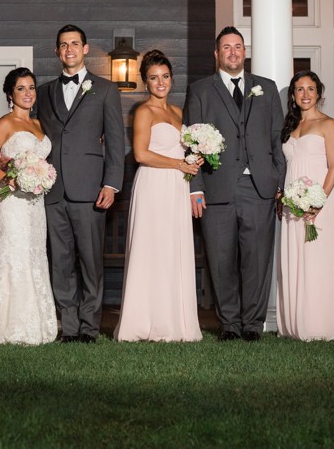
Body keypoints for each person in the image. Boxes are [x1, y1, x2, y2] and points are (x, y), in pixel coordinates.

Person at [183, 26, 285, 342]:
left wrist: (278, 181)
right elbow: (191, 144)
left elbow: (276, 140)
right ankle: (229, 323)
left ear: (245, 51)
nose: (233, 52)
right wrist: (195, 186)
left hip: (258, 188)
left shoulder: (266, 89)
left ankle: (252, 324)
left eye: (238, 47)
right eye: (226, 47)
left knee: (256, 258)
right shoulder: (200, 90)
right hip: (217, 187)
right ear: (217, 54)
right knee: (221, 257)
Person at [37, 25, 125, 343]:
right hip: (52, 189)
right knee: (60, 262)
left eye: (75, 43)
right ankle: (69, 327)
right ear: (57, 51)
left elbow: (116, 141)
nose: (69, 49)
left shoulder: (104, 89)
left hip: (90, 189)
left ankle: (89, 327)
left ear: (86, 49)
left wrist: (111, 184)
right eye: (63, 45)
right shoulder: (44, 92)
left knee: (90, 261)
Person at [114, 50, 202, 343]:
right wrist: (179, 163)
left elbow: (185, 151)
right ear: (145, 82)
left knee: (173, 249)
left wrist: (196, 160)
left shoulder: (178, 112)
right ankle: (146, 321)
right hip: (153, 186)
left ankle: (175, 321)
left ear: (171, 79)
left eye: (165, 77)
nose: (160, 82)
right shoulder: (143, 112)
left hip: (178, 187)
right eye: (153, 78)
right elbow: (140, 154)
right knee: (153, 249)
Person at [0, 68, 58, 345]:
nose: (28, 93)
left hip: (35, 203)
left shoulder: (38, 124)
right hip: (11, 201)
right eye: (21, 88)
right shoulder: (5, 123)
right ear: (10, 94)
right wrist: (10, 181)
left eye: (31, 87)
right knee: (13, 254)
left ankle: (37, 323)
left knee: (34, 254)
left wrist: (37, 179)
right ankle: (8, 325)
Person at [276, 71, 334, 341]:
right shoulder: (290, 127)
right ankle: (295, 323)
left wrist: (317, 203)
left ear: (318, 92)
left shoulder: (328, 124)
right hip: (292, 206)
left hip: (319, 203)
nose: (305, 94)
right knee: (295, 258)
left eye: (310, 88)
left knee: (317, 259)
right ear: (293, 96)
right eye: (299, 89)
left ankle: (320, 324)